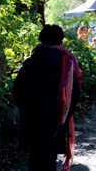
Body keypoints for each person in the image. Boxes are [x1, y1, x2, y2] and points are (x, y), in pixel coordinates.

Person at [13, 24, 83, 171]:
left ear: (41, 38)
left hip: (32, 118)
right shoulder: (67, 62)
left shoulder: (31, 61)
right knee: (49, 158)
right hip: (55, 118)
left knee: (34, 157)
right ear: (60, 40)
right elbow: (75, 93)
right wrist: (64, 115)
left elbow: (18, 90)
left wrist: (26, 111)